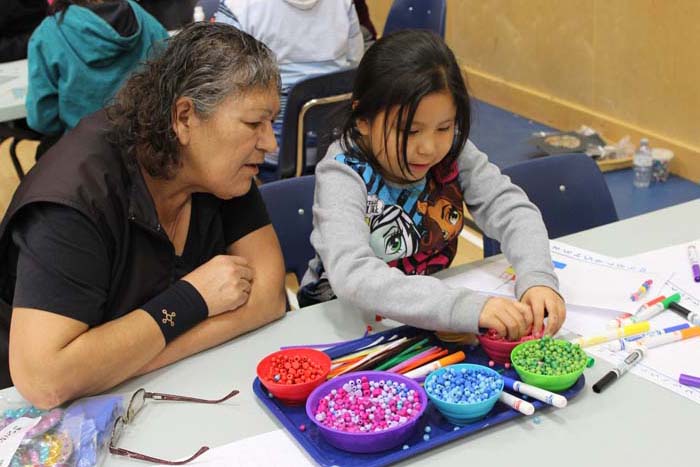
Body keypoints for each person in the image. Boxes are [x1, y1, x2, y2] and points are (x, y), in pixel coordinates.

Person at [0, 23, 287, 406]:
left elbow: (269, 297)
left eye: (271, 123)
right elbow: (46, 380)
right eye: (253, 124)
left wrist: (125, 357)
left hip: (159, 392)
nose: (269, 144)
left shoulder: (223, 172)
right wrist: (192, 299)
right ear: (185, 118)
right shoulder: (75, 200)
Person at [298, 30, 566, 341]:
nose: (429, 147)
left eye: (444, 127)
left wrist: (537, 278)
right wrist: (463, 307)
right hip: (347, 325)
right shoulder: (343, 172)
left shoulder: (452, 152)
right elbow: (354, 275)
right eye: (410, 131)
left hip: (428, 316)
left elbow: (512, 210)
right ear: (363, 119)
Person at [215, 0, 364, 181]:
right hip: (340, 149)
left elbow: (220, 86)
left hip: (268, 155)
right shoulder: (344, 3)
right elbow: (357, 67)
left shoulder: (238, 6)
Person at [25, 0, 169, 138]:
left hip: (84, 148)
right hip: (149, 144)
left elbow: (41, 119)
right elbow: (170, 76)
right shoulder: (141, 16)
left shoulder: (48, 34)